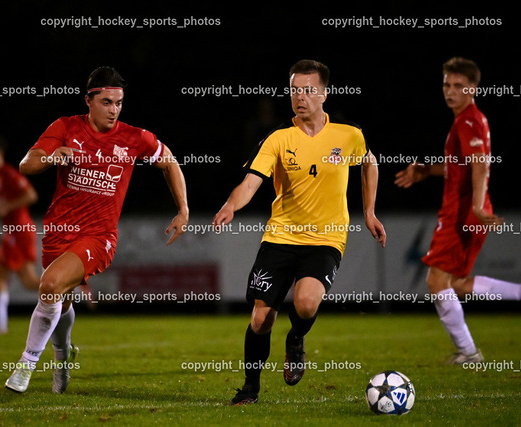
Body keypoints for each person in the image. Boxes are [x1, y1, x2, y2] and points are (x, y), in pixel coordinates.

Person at [5, 66, 189, 394]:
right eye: (106, 102)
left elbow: (169, 161)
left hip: (98, 237)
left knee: (50, 285)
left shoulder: (135, 138)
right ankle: (63, 356)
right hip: (59, 232)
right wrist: (51, 157)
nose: (114, 110)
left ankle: (25, 365)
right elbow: (26, 164)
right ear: (88, 101)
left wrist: (183, 209)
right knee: (59, 300)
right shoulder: (65, 127)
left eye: (119, 103)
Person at [213, 59, 386, 405]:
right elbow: (251, 182)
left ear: (324, 94)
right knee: (261, 319)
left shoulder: (348, 134)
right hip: (281, 237)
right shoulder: (278, 137)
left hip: (326, 238)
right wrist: (231, 205)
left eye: (308, 90)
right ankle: (250, 388)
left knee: (306, 304)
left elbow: (369, 162)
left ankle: (295, 339)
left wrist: (369, 211)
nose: (300, 97)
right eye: (294, 90)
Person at [395, 57, 521, 364]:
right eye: (446, 85)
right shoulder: (469, 120)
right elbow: (461, 166)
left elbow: (480, 164)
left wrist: (475, 206)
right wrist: (428, 170)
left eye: (458, 86)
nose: (450, 91)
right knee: (456, 284)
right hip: (466, 212)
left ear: (473, 88)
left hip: (462, 214)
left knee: (437, 282)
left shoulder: (467, 121)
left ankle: (469, 352)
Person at [0, 135, 40, 335]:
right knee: (4, 277)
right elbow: (3, 206)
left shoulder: (8, 174)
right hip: (12, 232)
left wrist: (6, 206)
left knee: (22, 280)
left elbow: (31, 195)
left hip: (19, 232)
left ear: (0, 154)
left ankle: (66, 289)